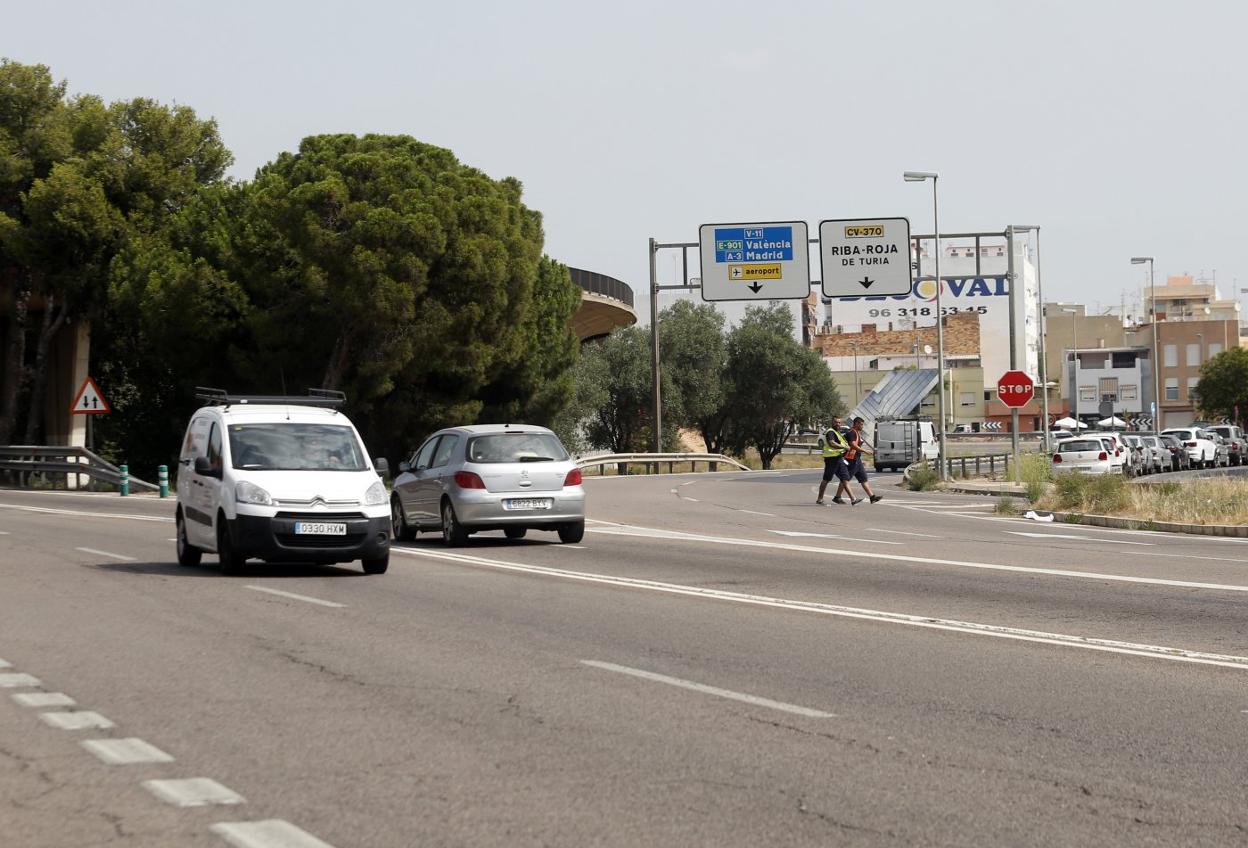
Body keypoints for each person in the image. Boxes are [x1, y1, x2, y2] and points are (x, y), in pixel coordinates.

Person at [843, 417, 882, 504]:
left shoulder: (857, 433)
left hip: (857, 460)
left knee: (863, 479)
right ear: (856, 423)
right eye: (861, 424)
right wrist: (865, 451)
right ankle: (837, 496)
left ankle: (872, 497)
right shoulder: (852, 432)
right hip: (851, 460)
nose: (862, 426)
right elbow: (853, 445)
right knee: (845, 479)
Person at [815, 416, 852, 504]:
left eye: (839, 422)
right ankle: (820, 499)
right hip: (831, 459)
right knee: (826, 479)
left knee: (845, 477)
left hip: (839, 458)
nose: (838, 424)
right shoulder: (830, 432)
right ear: (832, 423)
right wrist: (844, 447)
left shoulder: (837, 432)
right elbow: (832, 443)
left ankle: (852, 499)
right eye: (836, 422)